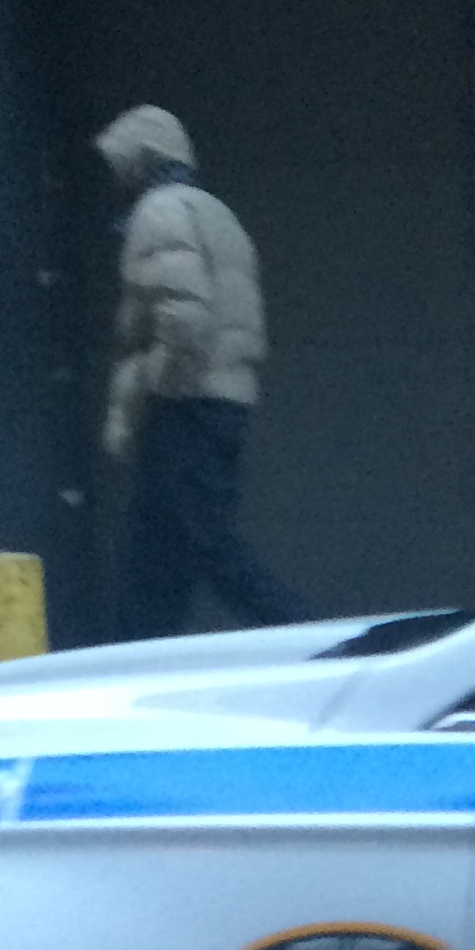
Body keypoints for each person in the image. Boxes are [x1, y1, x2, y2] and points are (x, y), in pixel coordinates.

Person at [93, 102, 303, 637]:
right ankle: (137, 651)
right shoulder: (214, 213)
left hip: (185, 405)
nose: (115, 178)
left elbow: (183, 316)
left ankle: (303, 629)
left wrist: (162, 389)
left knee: (202, 544)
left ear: (141, 159)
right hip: (222, 400)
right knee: (157, 552)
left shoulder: (159, 213)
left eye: (120, 164)